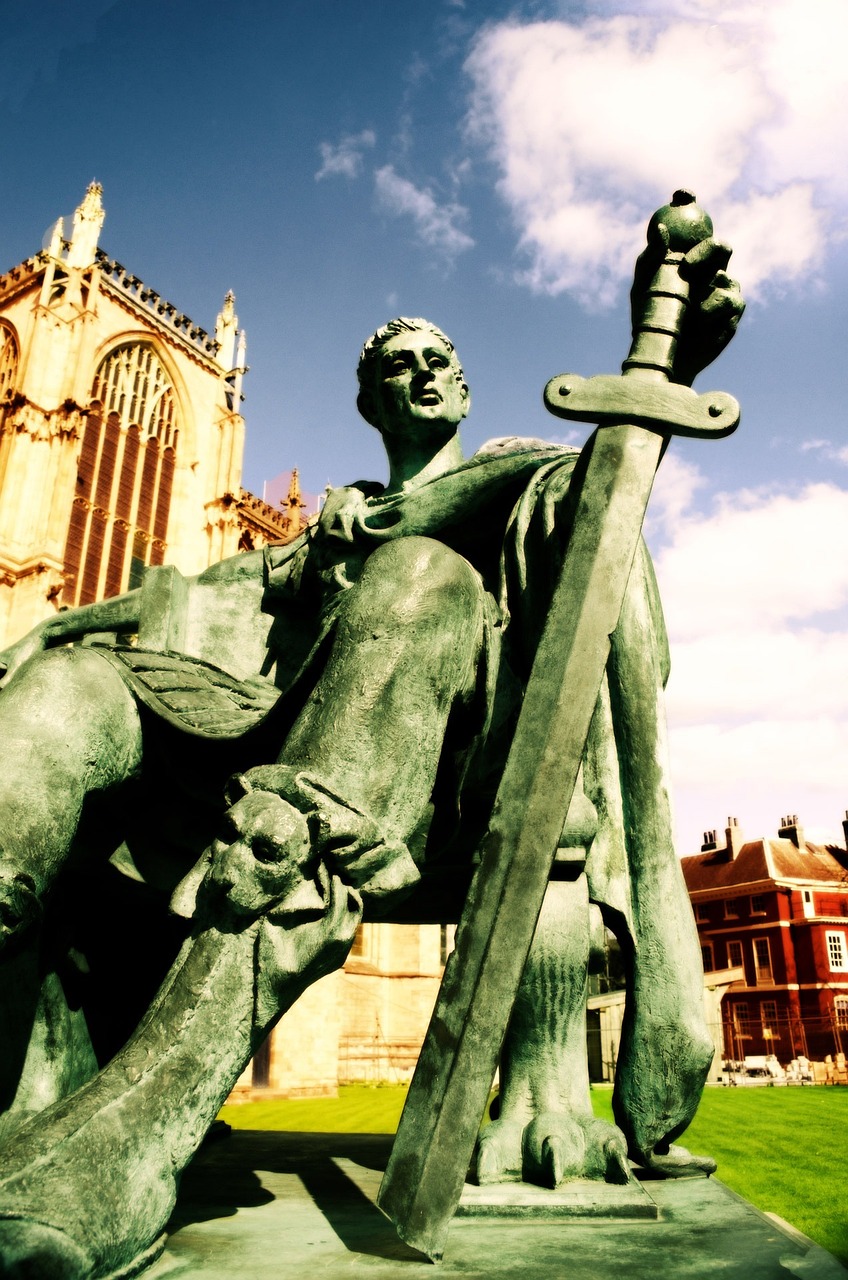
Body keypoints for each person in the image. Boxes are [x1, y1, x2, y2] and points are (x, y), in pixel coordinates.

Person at [0, 243, 742, 1183]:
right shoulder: (328, 533)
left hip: (447, 781)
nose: (425, 372)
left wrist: (664, 371)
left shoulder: (522, 479)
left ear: (464, 391)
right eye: (400, 364)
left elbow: (600, 497)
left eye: (439, 360)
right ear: (370, 402)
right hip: (277, 741)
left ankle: (154, 1105)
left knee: (417, 575)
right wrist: (55, 631)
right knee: (62, 689)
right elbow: (208, 586)